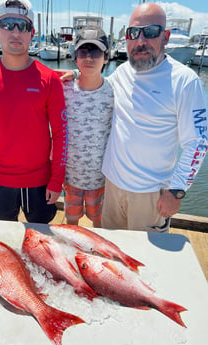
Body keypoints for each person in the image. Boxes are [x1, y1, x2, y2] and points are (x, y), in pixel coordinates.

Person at [59, 2, 207, 232]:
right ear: (126, 37)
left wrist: (177, 191)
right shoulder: (122, 72)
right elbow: (97, 80)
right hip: (111, 187)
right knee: (112, 251)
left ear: (165, 37)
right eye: (133, 32)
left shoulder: (185, 81)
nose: (141, 40)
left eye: (150, 32)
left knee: (148, 259)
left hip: (150, 195)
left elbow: (198, 143)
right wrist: (77, 73)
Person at [0, 0, 68, 223]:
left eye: (23, 26)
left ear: (32, 33)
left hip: (40, 181)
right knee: (1, 244)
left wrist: (56, 180)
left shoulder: (49, 79)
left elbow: (61, 133)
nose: (15, 32)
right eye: (8, 24)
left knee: (42, 245)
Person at [62, 26, 114, 227]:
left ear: (106, 57)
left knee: (98, 222)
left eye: (96, 52)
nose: (89, 58)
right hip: (71, 176)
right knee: (71, 220)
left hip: (101, 179)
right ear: (75, 57)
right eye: (83, 52)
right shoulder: (63, 87)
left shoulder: (114, 89)